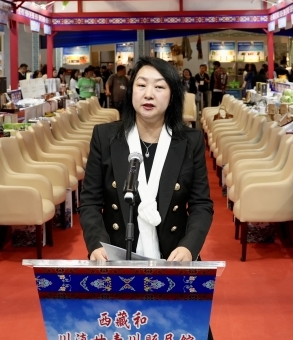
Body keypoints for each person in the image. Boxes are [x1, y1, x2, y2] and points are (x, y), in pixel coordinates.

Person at [80, 56, 213, 265]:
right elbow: (90, 201)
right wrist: (96, 244)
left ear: (172, 95)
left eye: (159, 87)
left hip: (174, 257)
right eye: (141, 85)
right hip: (114, 256)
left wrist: (189, 247)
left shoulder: (190, 141)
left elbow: (201, 204)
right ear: (131, 91)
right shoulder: (105, 137)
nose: (148, 94)